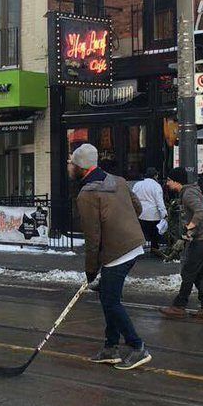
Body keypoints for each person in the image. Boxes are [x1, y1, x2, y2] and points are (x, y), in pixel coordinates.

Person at [69, 144, 150, 370]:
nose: (68, 166)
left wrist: (91, 270)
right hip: (133, 244)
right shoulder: (119, 181)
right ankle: (110, 347)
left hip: (117, 252)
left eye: (71, 163)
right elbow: (138, 208)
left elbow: (92, 237)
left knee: (111, 302)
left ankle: (137, 347)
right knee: (108, 297)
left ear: (80, 167)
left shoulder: (86, 194)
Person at [159, 166, 203, 322]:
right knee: (198, 273)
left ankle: (179, 306)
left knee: (188, 272)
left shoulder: (188, 194)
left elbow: (200, 211)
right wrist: (189, 234)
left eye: (169, 180)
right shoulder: (190, 191)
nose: (167, 184)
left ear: (176, 181)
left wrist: (190, 227)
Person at [132, 167, 168, 256]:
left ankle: (137, 249)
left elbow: (132, 197)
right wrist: (164, 214)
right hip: (153, 215)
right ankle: (154, 248)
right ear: (155, 176)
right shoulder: (156, 186)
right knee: (154, 233)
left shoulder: (137, 184)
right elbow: (159, 202)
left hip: (140, 213)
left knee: (140, 232)